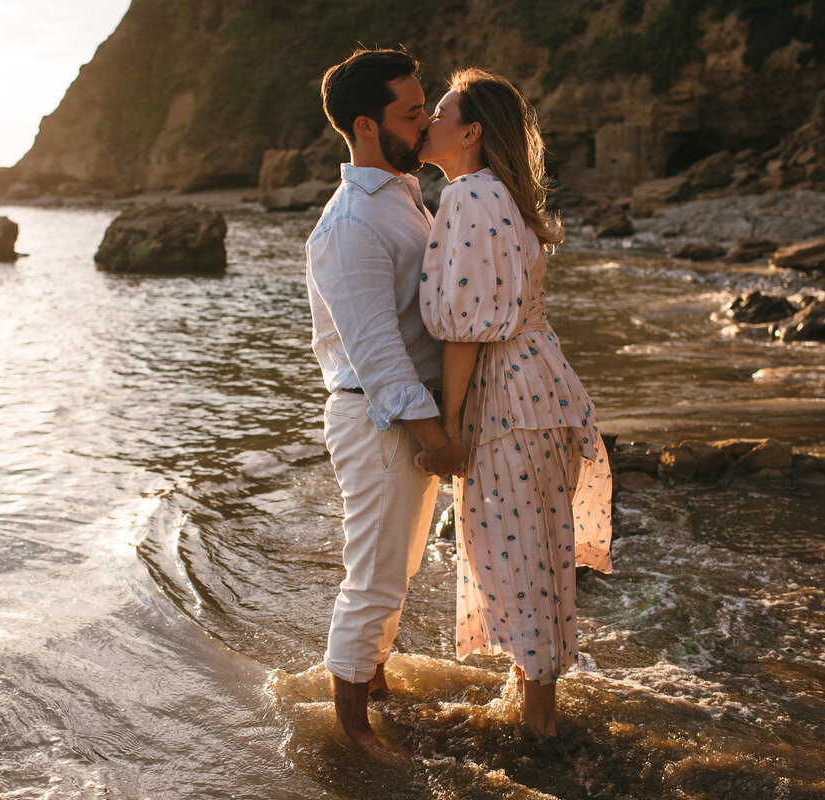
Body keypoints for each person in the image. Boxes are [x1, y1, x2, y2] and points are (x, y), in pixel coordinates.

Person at [416, 68, 614, 741]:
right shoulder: (501, 196)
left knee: (517, 558)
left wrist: (445, 431)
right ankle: (535, 706)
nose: (426, 121)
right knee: (537, 558)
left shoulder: (468, 198)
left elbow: (466, 329)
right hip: (545, 389)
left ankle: (539, 731)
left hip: (510, 400)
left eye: (438, 112)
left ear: (469, 132)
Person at [305, 49, 469, 761]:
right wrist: (438, 440)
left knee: (393, 569)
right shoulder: (349, 227)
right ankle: (352, 730)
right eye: (412, 112)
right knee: (375, 574)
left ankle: (370, 683)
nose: (427, 119)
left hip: (407, 417)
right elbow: (376, 355)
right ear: (367, 126)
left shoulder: (402, 193)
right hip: (379, 421)